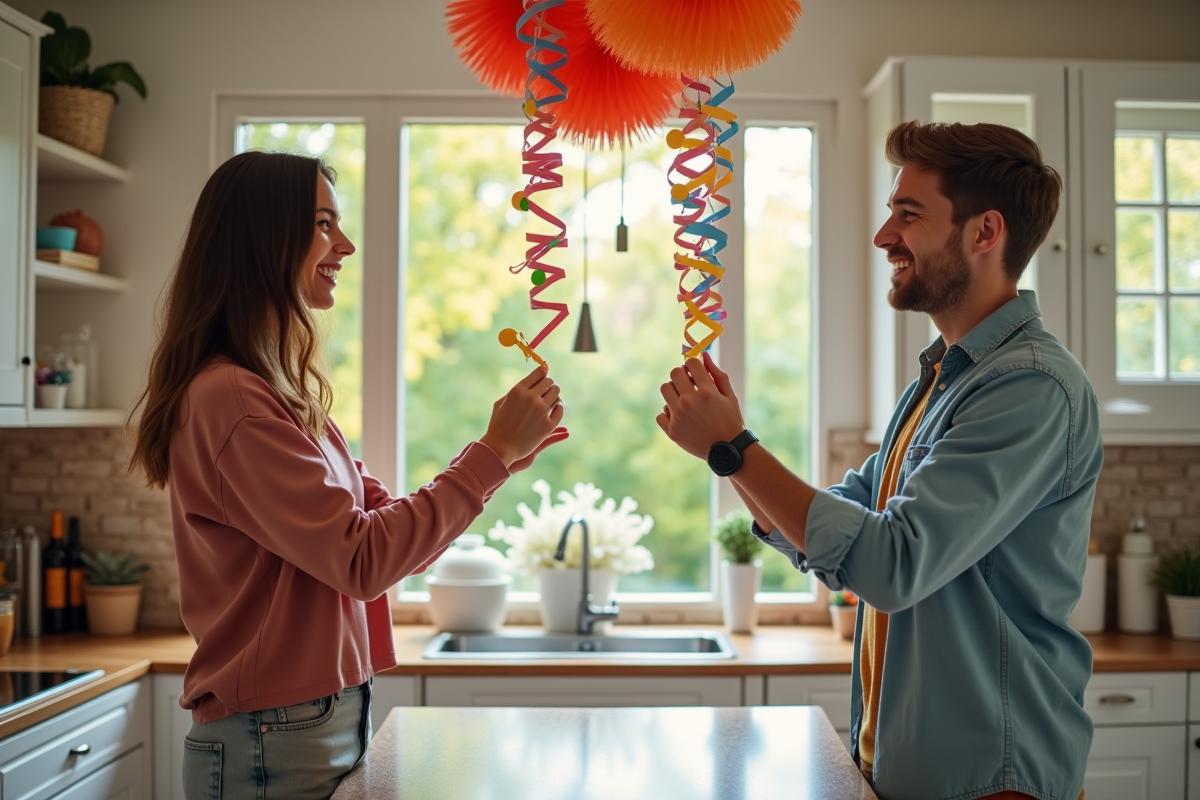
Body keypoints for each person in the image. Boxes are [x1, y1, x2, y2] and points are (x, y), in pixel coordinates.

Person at [656, 121, 1102, 800]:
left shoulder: (1029, 386)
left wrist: (735, 449)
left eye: (908, 214)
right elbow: (853, 518)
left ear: (985, 233)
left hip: (991, 782)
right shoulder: (942, 379)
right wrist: (728, 449)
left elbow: (890, 565)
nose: (883, 236)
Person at [129, 151, 568, 800]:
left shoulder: (280, 392)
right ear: (263, 239)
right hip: (271, 735)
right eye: (324, 224)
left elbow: (389, 546)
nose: (347, 245)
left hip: (306, 723)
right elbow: (362, 560)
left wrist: (498, 462)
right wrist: (490, 454)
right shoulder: (233, 399)